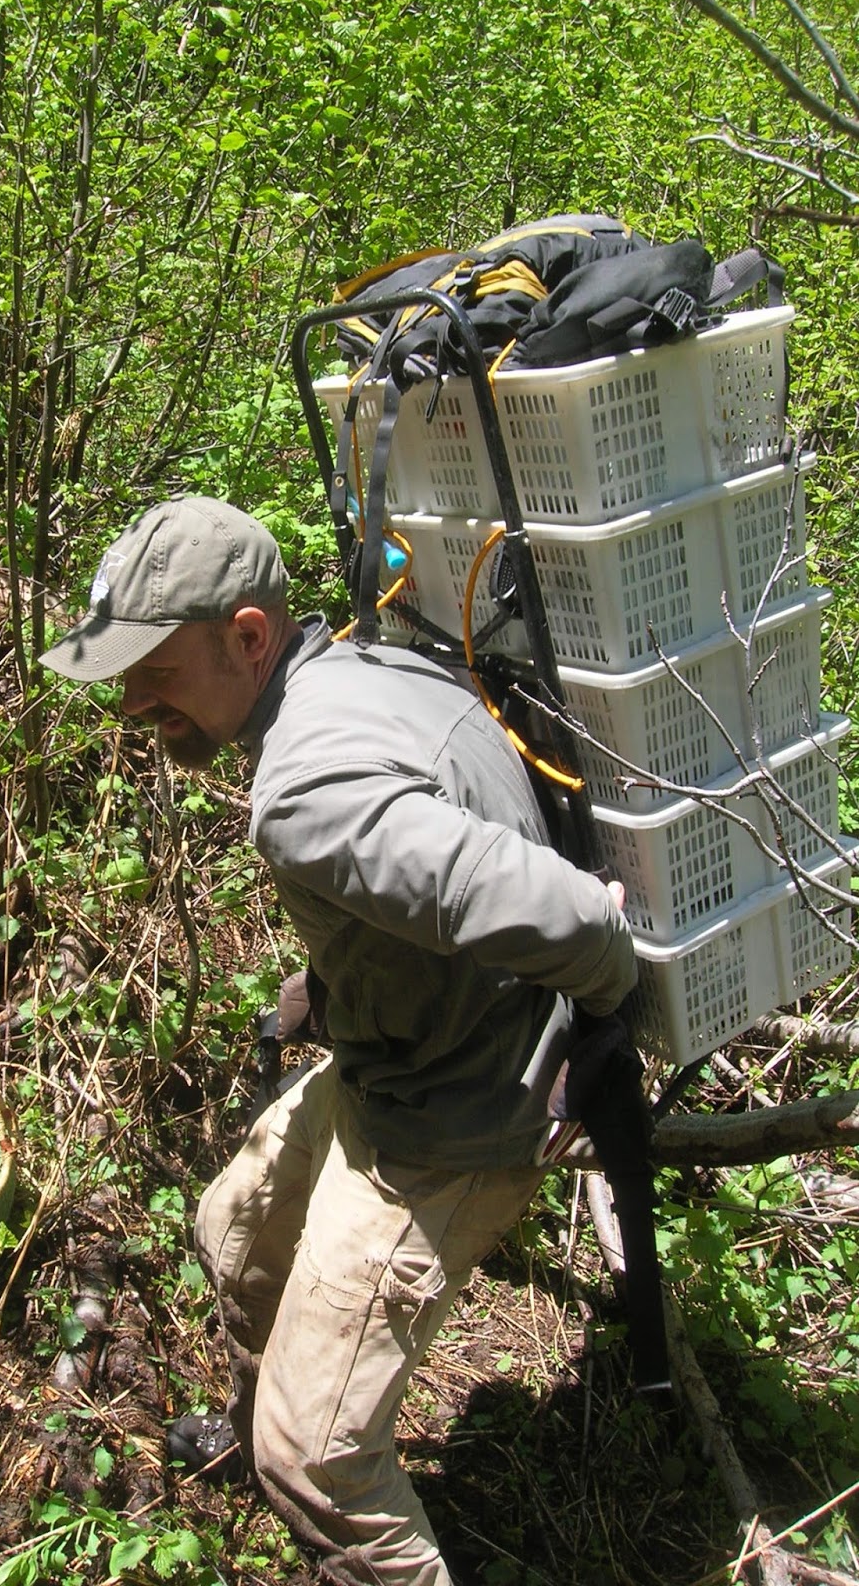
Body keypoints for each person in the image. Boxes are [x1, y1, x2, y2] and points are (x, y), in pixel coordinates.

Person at [42, 493, 637, 1586]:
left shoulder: (299, 788)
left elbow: (534, 903)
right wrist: (328, 983)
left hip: (453, 1112)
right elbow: (418, 859)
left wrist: (606, 995)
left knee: (316, 1460)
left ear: (249, 637)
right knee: (233, 1229)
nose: (130, 703)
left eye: (155, 672)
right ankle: (265, 1402)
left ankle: (296, 1452)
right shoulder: (364, 665)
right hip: (398, 1058)